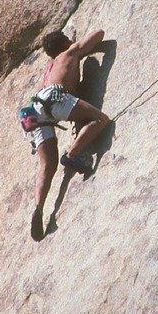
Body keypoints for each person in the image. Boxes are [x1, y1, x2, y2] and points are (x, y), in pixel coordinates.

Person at [22, 29, 110, 240]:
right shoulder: (68, 53)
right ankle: (73, 153)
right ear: (64, 43)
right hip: (56, 98)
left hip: (34, 108)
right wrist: (76, 46)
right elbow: (99, 34)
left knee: (47, 165)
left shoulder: (50, 68)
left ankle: (39, 207)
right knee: (100, 119)